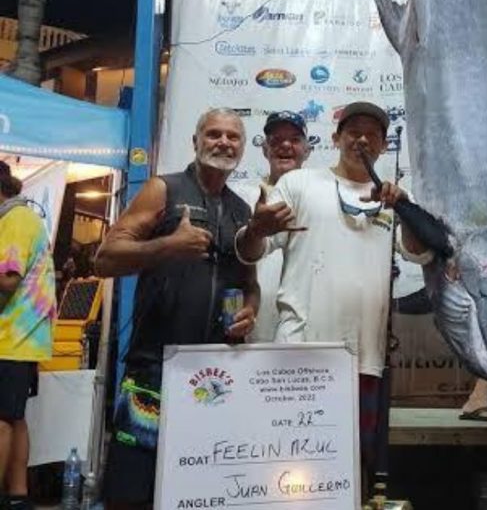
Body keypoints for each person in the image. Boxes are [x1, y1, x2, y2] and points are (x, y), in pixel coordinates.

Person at [236, 101, 429, 483]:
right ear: (335, 138)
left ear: (383, 145)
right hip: (299, 353)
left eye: (372, 134)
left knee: (351, 473)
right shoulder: (298, 184)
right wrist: (256, 228)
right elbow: (249, 251)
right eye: (353, 131)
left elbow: (418, 253)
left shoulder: (391, 198)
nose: (362, 139)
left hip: (364, 359)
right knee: (287, 468)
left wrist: (405, 208)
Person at [95, 108, 260, 509]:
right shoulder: (162, 189)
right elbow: (104, 258)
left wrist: (250, 311)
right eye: (214, 134)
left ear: (242, 148)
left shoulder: (242, 210)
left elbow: (250, 285)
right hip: (154, 370)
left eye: (233, 137)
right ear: (196, 141)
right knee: (131, 493)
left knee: (199, 492)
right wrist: (167, 246)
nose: (223, 142)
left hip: (213, 377)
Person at [0, 161, 57, 510]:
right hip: (22, 338)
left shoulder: (15, 219)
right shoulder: (18, 218)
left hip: (11, 337)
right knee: (13, 417)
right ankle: (19, 494)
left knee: (2, 419)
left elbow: (7, 280)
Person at [234, 110, 310, 343]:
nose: (285, 145)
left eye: (295, 140)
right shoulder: (241, 197)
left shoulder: (321, 199)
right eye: (275, 141)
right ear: (265, 149)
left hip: (304, 325)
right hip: (250, 321)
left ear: (307, 150)